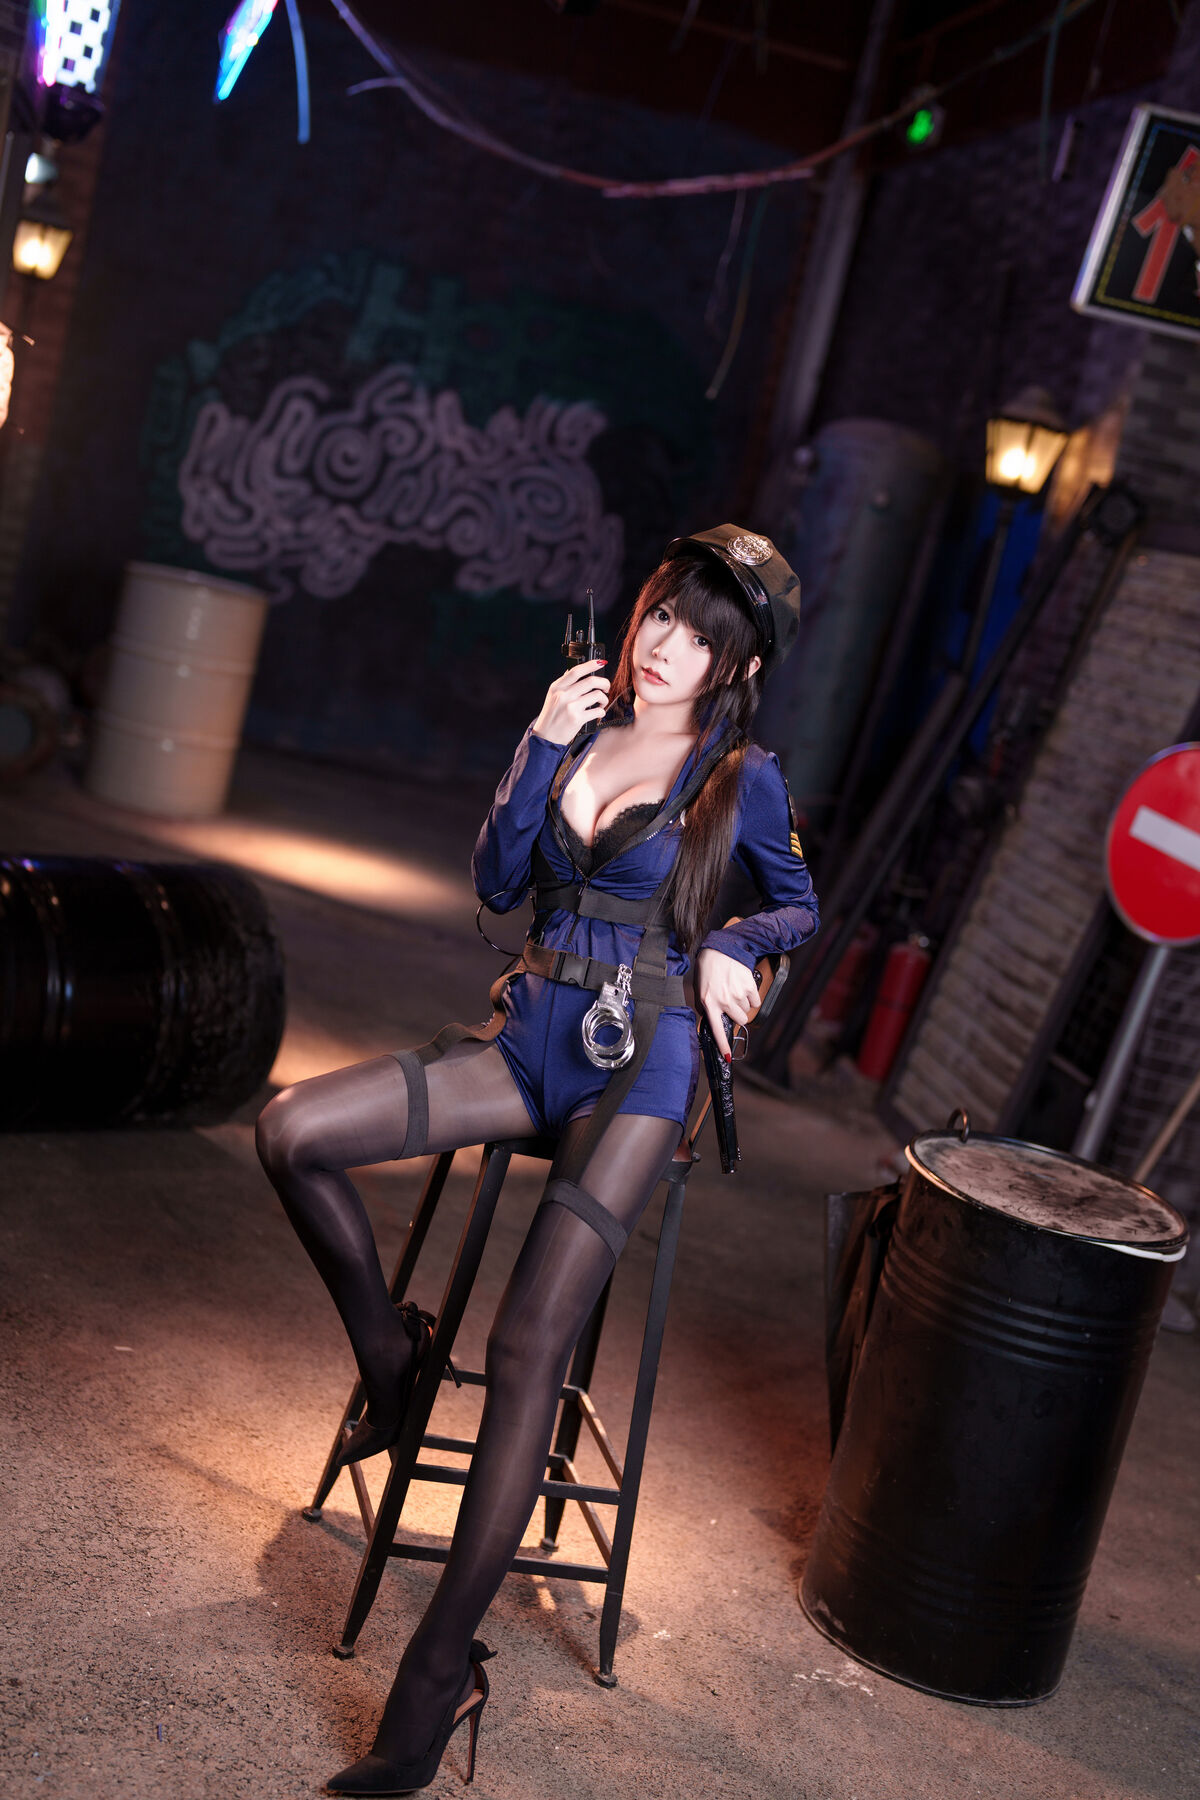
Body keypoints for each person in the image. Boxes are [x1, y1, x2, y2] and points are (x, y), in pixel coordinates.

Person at [255, 525, 820, 1795]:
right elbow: (499, 881)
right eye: (659, 615)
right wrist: (539, 748)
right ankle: (393, 1358)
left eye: (700, 637)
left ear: (738, 666)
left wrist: (733, 946)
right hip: (527, 1036)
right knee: (293, 1131)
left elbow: (801, 904)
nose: (664, 646)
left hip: (643, 1063)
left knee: (524, 1349)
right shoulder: (577, 726)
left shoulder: (741, 776)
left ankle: (437, 1671)